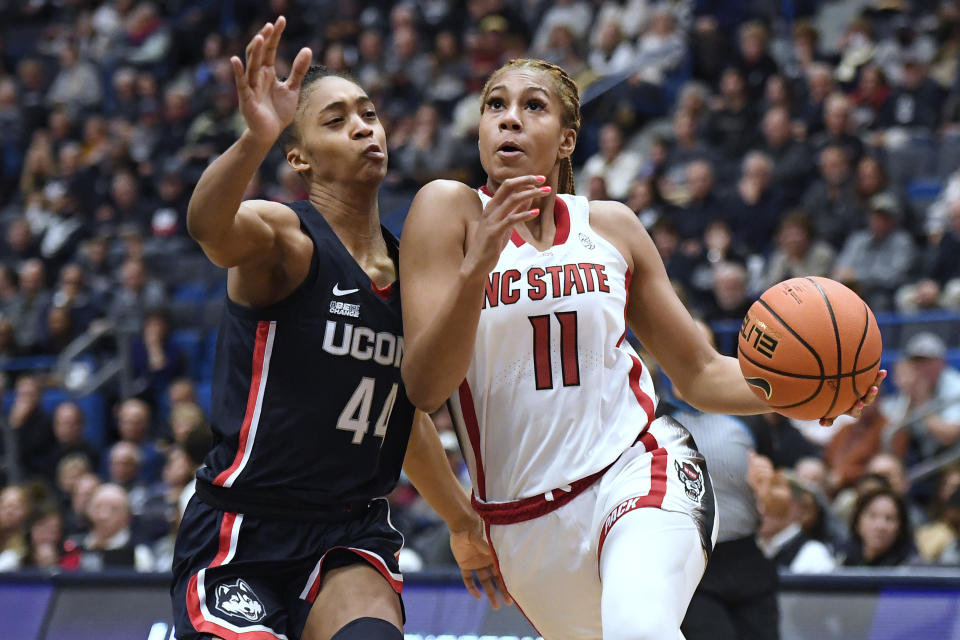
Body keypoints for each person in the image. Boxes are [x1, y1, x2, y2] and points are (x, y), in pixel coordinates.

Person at [398, 57, 884, 639]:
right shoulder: (446, 210)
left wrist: (800, 393)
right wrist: (475, 270)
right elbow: (424, 389)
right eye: (495, 106)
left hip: (637, 468)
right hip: (520, 522)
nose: (509, 120)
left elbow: (699, 372)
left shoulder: (611, 226)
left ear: (566, 139)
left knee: (640, 626)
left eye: (533, 107)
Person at [171, 18, 503, 640]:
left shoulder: (412, 275)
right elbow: (209, 228)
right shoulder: (286, 241)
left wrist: (462, 522)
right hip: (244, 529)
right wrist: (254, 140)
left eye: (369, 113)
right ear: (298, 157)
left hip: (348, 535)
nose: (362, 127)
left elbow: (400, 421)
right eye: (336, 120)